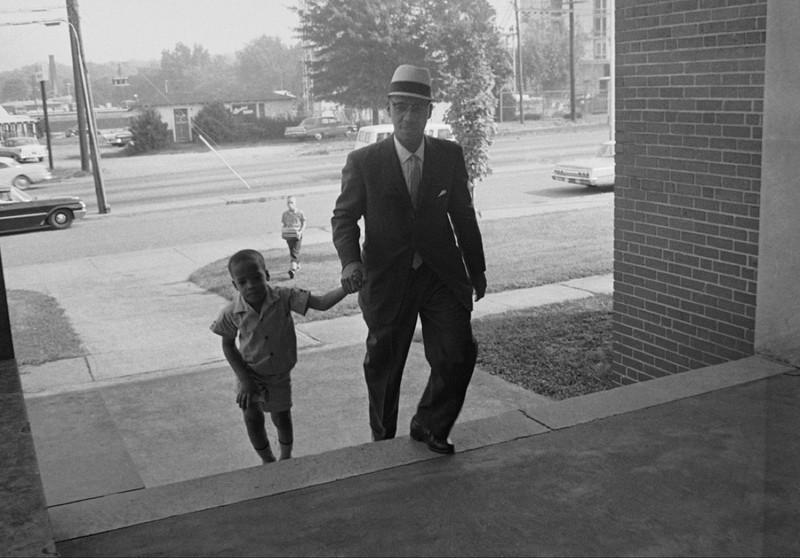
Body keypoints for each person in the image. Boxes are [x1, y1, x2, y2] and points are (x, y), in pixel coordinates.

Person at [331, 64, 487, 454]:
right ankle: (383, 441)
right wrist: (350, 261)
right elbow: (344, 217)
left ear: (430, 112)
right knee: (383, 368)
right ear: (388, 109)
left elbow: (463, 216)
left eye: (417, 109)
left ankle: (430, 424)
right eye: (400, 107)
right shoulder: (364, 162)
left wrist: (477, 269)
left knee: (458, 352)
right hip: (387, 280)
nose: (407, 116)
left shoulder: (448, 156)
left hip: (439, 275)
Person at [210, 249, 347, 463]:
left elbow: (321, 303)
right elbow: (228, 345)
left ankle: (286, 458)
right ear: (234, 285)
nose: (251, 285)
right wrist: (245, 380)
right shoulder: (231, 312)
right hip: (249, 373)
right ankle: (267, 459)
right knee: (251, 415)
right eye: (242, 281)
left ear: (267, 275)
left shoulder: (284, 297)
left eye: (257, 277)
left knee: (281, 417)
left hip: (279, 374)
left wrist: (346, 289)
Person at [281, 195, 306, 278]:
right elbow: (284, 224)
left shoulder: (300, 213)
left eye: (291, 202)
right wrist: (283, 232)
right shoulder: (285, 214)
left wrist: (300, 232)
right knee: (292, 251)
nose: (289, 204)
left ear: (295, 204)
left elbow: (304, 223)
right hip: (289, 235)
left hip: (297, 235)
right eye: (288, 203)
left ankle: (292, 270)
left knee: (295, 251)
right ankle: (297, 264)